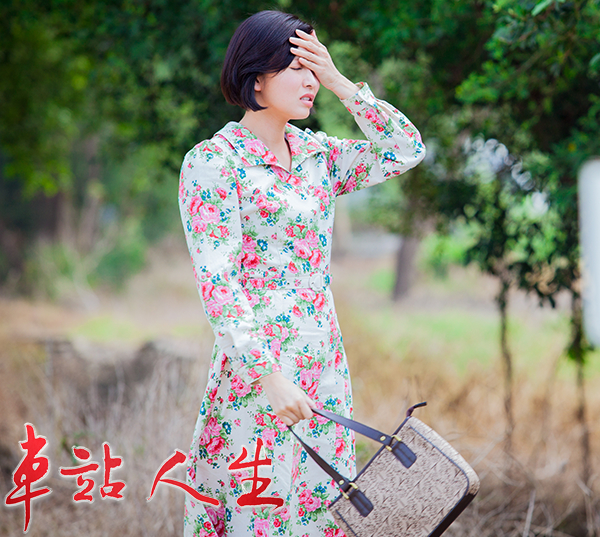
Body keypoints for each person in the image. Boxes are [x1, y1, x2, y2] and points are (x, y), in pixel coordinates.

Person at [177, 10, 425, 536]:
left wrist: (340, 82)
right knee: (260, 511)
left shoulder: (319, 155)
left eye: (315, 68)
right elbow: (218, 281)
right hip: (258, 372)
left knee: (322, 512)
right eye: (298, 67)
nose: (310, 80)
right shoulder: (214, 162)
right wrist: (267, 376)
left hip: (323, 364)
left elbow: (406, 149)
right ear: (256, 77)